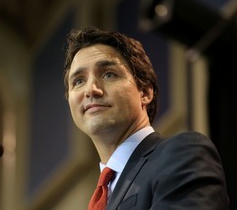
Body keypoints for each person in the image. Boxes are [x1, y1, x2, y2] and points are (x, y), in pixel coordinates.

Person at [63, 26, 229, 210]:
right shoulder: (102, 196)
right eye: (78, 81)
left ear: (145, 92)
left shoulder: (182, 154)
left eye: (109, 74)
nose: (91, 89)